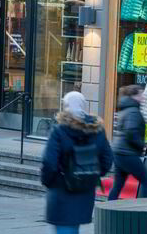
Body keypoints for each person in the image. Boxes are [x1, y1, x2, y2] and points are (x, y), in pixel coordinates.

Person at [41, 91, 113, 234]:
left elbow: (49, 162)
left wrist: (48, 181)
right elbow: (107, 158)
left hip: (61, 188)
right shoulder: (96, 129)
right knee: (73, 227)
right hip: (85, 189)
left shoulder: (59, 130)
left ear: (65, 106)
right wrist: (92, 174)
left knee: (65, 228)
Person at [109, 85, 147, 200]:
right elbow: (131, 132)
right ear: (135, 96)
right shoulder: (133, 112)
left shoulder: (126, 109)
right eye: (141, 94)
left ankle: (108, 207)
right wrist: (141, 146)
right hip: (128, 153)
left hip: (119, 152)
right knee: (146, 180)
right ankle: (144, 209)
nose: (143, 97)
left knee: (118, 185)